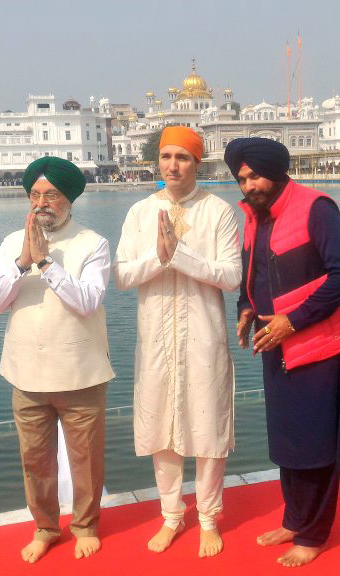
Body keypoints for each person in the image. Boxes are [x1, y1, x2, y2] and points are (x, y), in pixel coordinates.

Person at [225, 137, 340, 568]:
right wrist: (246, 307)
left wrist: (291, 320)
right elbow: (253, 272)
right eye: (242, 178)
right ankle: (295, 519)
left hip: (323, 347)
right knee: (289, 443)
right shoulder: (256, 216)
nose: (249, 184)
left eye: (255, 175)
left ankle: (313, 533)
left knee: (318, 446)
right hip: (278, 346)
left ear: (277, 171)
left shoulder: (316, 208)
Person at [0, 157, 113, 563]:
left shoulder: (94, 243)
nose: (42, 204)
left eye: (51, 195)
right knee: (35, 460)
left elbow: (87, 302)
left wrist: (46, 264)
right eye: (35, 195)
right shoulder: (10, 244)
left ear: (68, 199)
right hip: (26, 375)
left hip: (80, 374)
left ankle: (85, 525)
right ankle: (46, 527)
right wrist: (21, 262)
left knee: (86, 459)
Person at [114, 126, 241, 558]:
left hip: (204, 340)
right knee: (161, 428)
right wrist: (159, 257)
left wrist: (181, 257)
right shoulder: (139, 212)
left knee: (207, 427)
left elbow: (231, 276)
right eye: (166, 157)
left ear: (197, 164)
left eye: (182, 158)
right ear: (158, 163)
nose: (173, 166)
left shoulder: (220, 212)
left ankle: (208, 517)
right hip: (156, 343)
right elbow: (122, 275)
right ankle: (171, 515)